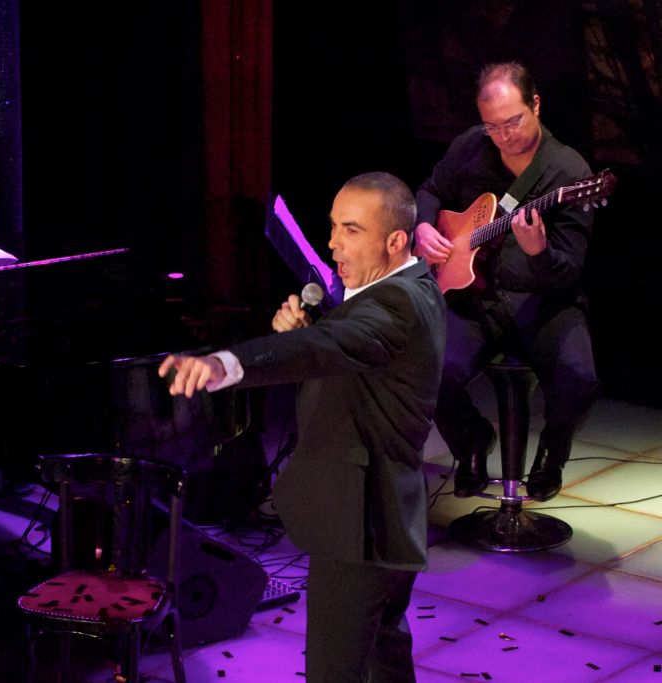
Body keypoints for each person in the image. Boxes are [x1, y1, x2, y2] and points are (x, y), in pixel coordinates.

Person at [159, 172, 446, 682]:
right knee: (383, 652)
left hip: (361, 523)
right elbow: (346, 348)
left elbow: (331, 345)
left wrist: (228, 363)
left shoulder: (395, 305)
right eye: (333, 226)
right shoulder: (411, 285)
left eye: (352, 230)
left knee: (335, 670)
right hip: (388, 513)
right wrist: (314, 329)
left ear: (395, 241)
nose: (333, 244)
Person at [412, 62, 600, 502]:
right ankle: (472, 441)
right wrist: (423, 226)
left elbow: (569, 270)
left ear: (536, 104)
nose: (503, 136)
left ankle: (552, 454)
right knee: (426, 365)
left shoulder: (568, 171)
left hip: (544, 302)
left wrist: (540, 251)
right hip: (476, 298)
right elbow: (430, 190)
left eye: (512, 122)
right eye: (492, 126)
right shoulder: (470, 147)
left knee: (580, 378)